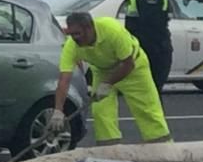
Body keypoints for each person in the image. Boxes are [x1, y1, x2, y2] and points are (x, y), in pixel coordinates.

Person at [50, 12, 171, 146]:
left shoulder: (112, 31)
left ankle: (162, 147)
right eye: (71, 34)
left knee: (147, 109)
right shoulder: (71, 46)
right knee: (101, 111)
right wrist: (58, 111)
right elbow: (64, 80)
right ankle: (109, 150)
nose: (74, 38)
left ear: (89, 28)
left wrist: (107, 83)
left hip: (133, 68)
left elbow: (128, 64)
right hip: (102, 71)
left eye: (78, 34)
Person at [120, 0, 173, 93]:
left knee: (151, 98)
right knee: (146, 99)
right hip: (145, 53)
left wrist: (138, 54)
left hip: (153, 54)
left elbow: (151, 30)